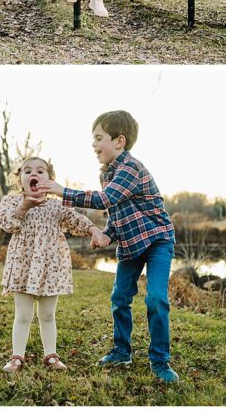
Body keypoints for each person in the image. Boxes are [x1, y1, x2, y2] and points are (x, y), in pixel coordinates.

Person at [37, 110, 178, 384]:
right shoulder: (107, 174)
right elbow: (115, 212)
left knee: (156, 299)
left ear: (119, 141)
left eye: (98, 137)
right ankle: (121, 351)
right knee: (119, 298)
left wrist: (61, 190)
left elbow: (104, 200)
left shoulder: (130, 169)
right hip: (130, 245)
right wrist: (105, 235)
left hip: (158, 241)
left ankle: (160, 360)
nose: (93, 144)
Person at [0, 156, 108, 372]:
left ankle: (51, 355)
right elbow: (7, 223)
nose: (34, 174)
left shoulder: (57, 206)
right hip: (23, 266)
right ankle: (17, 357)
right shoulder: (11, 202)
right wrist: (24, 207)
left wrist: (94, 230)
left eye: (40, 171)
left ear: (49, 180)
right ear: (20, 180)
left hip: (51, 267)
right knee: (23, 314)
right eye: (27, 171)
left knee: (47, 314)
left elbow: (77, 220)